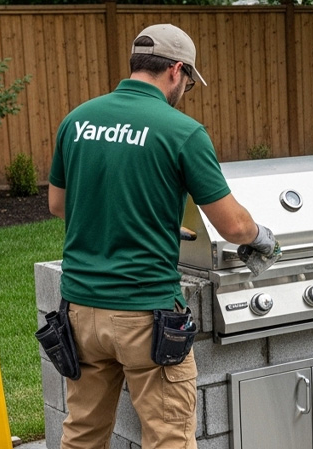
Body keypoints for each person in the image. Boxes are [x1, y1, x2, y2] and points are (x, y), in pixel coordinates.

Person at [47, 24, 276, 449]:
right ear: (175, 70)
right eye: (188, 82)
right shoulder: (181, 131)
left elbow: (60, 205)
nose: (185, 90)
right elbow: (233, 227)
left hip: (80, 311)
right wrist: (262, 236)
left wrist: (149, 218)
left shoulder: (76, 121)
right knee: (168, 438)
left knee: (82, 435)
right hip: (144, 314)